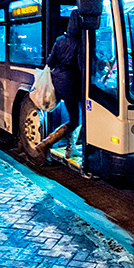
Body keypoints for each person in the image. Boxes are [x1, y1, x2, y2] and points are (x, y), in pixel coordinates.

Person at [31, 9, 84, 162]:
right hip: (71, 85)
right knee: (76, 120)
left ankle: (68, 147)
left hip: (58, 82)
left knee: (74, 117)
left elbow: (50, 62)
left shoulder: (60, 40)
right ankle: (47, 143)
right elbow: (82, 66)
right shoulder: (80, 42)